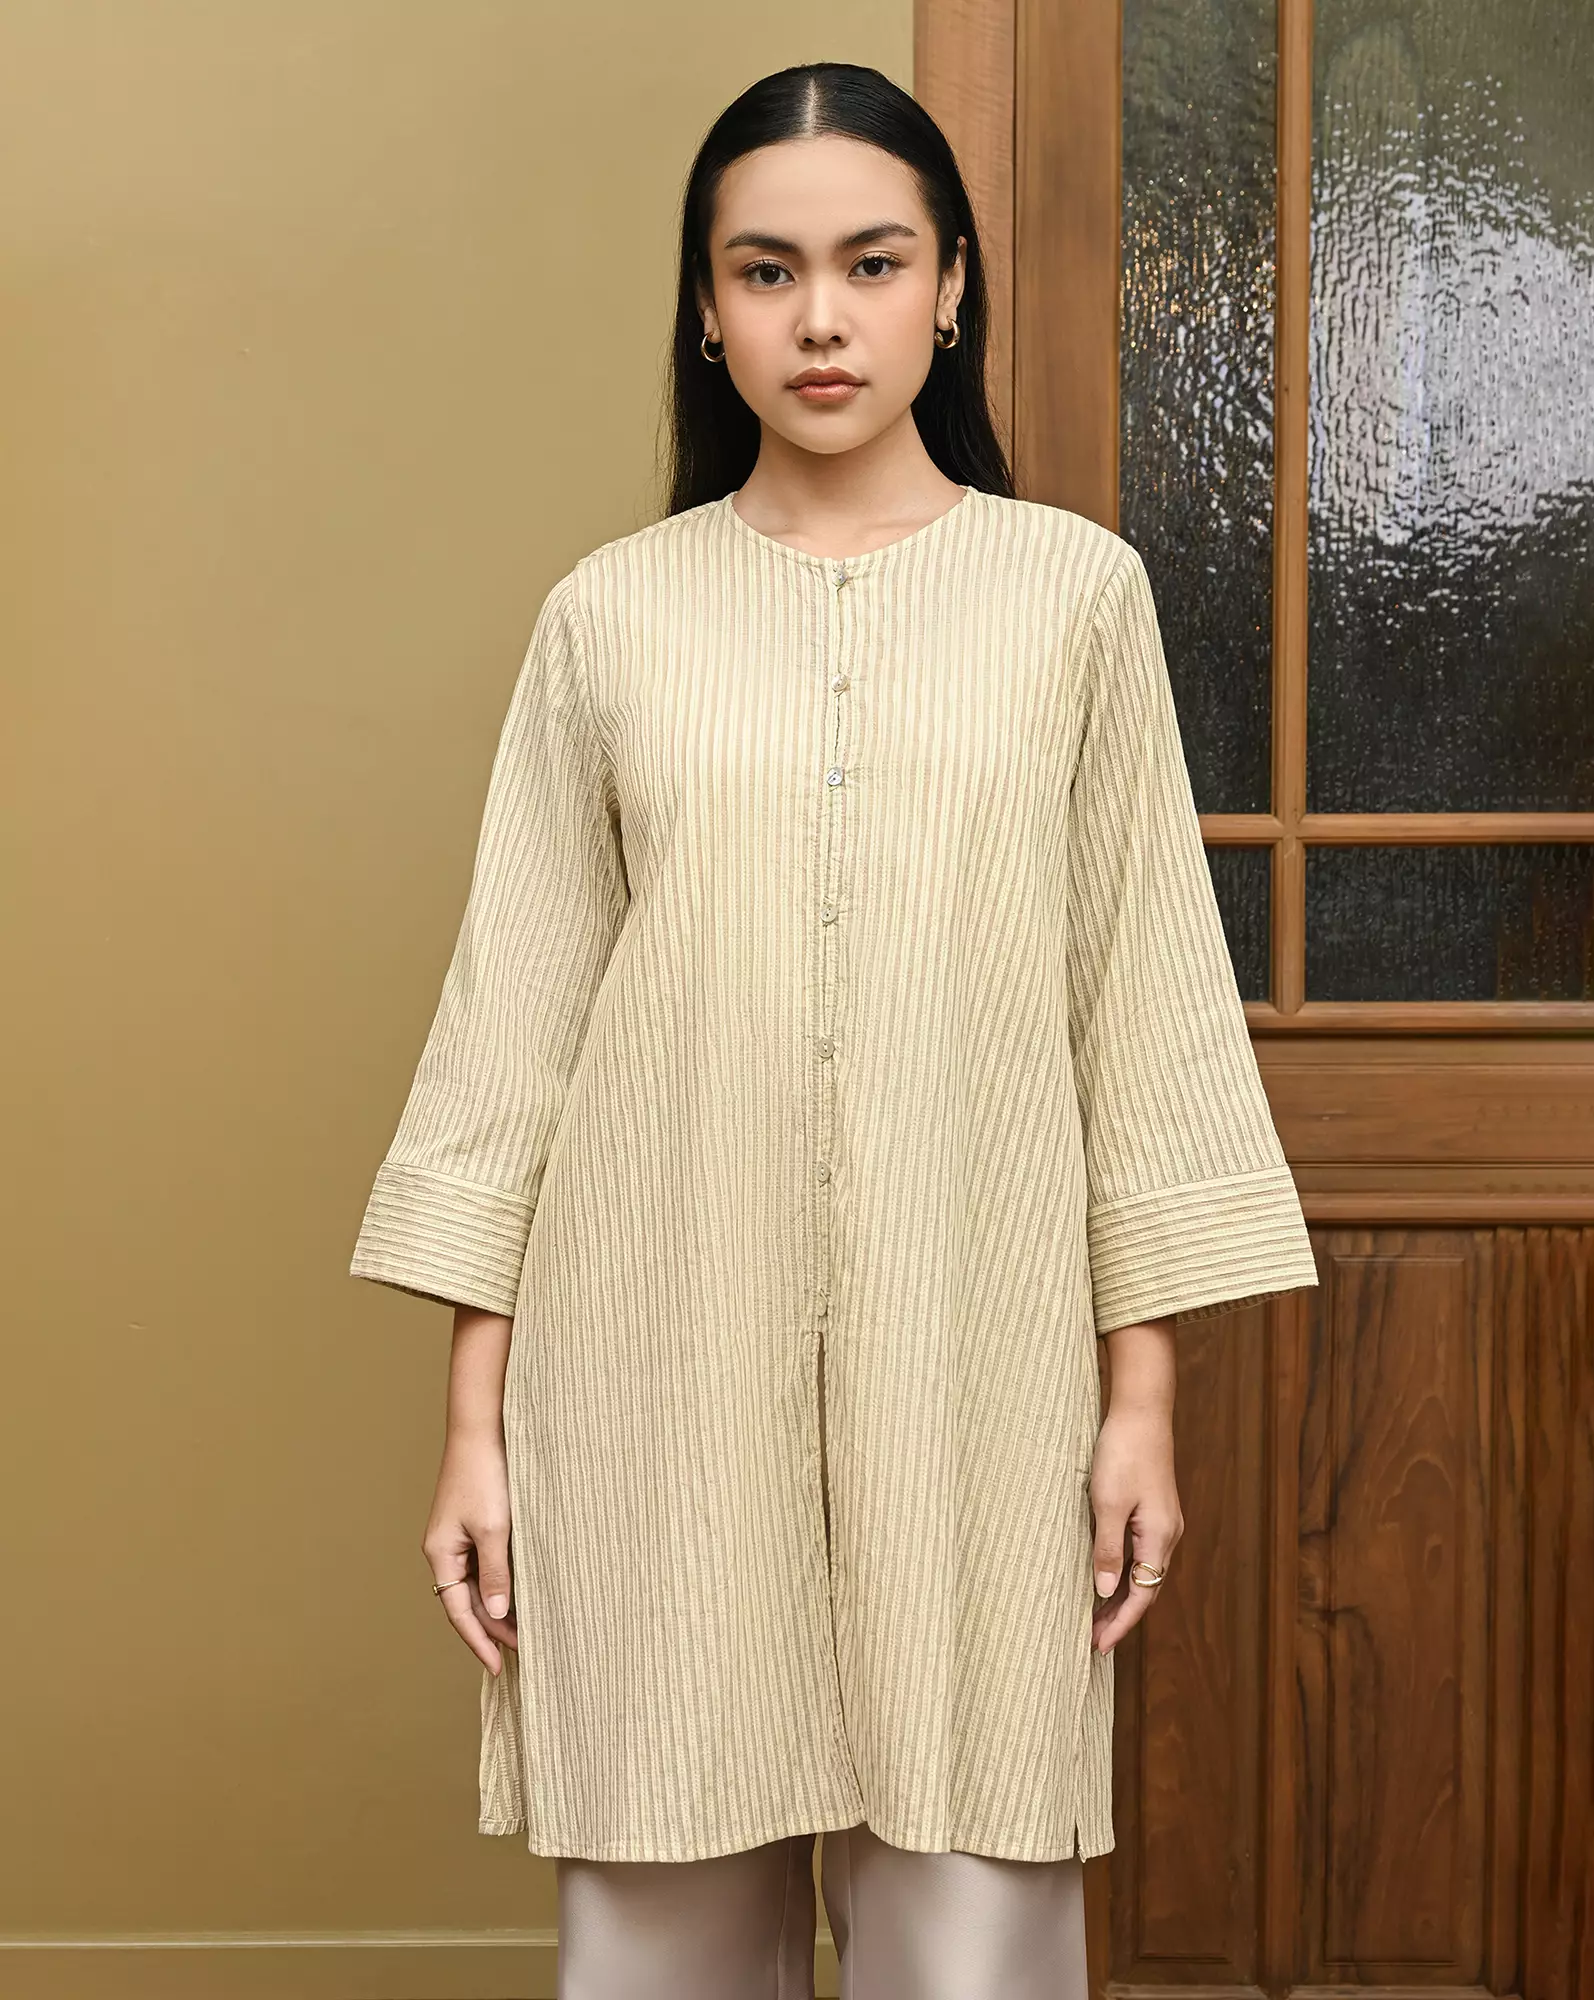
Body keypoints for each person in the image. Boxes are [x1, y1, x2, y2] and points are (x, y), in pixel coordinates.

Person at [348, 60, 1319, 2000]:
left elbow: (1137, 1005)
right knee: (661, 1927)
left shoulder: (1074, 601)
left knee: (969, 1922)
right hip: (649, 1370)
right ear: (704, 310)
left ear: (948, 288)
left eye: (871, 264)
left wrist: (1137, 1402)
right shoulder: (609, 618)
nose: (818, 319)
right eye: (765, 270)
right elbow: (512, 1035)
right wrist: (473, 1428)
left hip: (978, 1367)